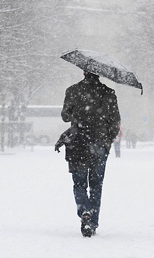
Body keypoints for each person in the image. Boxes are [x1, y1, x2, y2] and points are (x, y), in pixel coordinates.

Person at [56, 71, 120, 237]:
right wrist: (107, 141)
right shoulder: (109, 93)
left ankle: (84, 211)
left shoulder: (72, 90)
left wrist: (76, 114)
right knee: (96, 185)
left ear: (84, 72)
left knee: (79, 184)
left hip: (78, 144)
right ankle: (93, 222)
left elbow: (64, 116)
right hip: (99, 144)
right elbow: (115, 122)